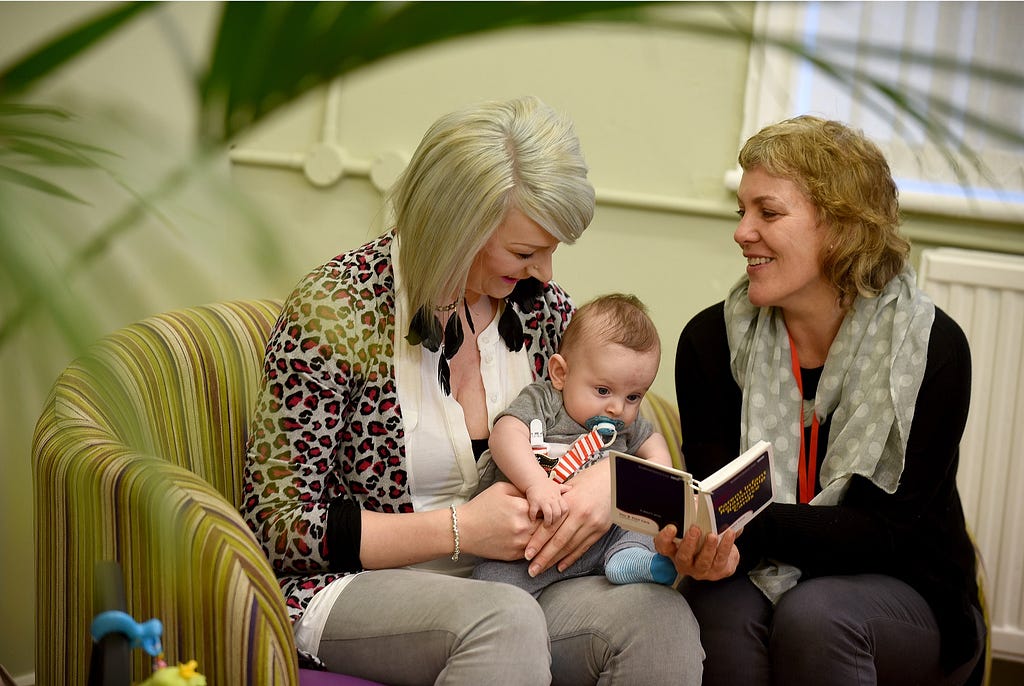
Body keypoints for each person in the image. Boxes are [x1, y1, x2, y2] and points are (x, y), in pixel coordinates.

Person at [240, 95, 704, 684]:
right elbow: (278, 524)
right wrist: (462, 528)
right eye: (525, 251)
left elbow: (618, 429)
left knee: (656, 618)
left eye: (551, 253)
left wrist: (610, 481)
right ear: (456, 228)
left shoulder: (540, 313)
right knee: (502, 620)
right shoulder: (338, 310)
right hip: (355, 588)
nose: (546, 274)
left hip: (519, 579)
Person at [663, 115, 985, 685]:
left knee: (817, 617)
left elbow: (885, 534)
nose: (742, 231)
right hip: (755, 576)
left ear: (840, 227)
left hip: (907, 587)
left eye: (769, 212)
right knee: (716, 611)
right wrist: (696, 540)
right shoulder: (711, 342)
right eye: (743, 211)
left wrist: (736, 525)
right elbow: (713, 506)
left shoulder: (930, 349)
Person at [473, 293, 678, 596]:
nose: (618, 408)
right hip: (534, 547)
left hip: (603, 543)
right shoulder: (546, 403)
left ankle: (629, 559)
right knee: (490, 579)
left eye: (633, 396)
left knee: (641, 521)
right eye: (603, 390)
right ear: (561, 374)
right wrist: (535, 484)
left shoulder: (628, 428)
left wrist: (658, 480)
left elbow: (655, 445)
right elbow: (505, 434)